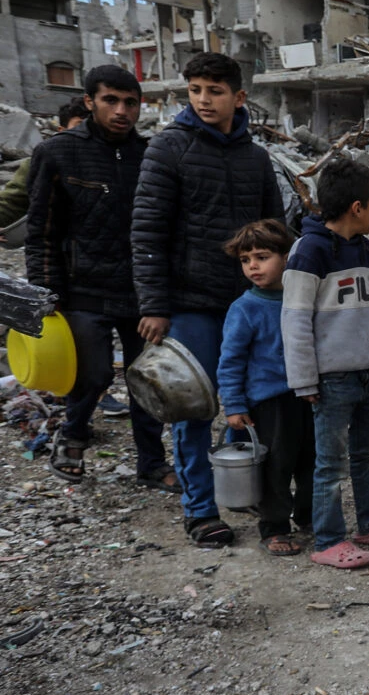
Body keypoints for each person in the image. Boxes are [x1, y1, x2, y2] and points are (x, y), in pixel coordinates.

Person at [131, 52, 285, 548]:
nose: (203, 100)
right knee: (192, 405)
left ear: (238, 98)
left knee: (256, 400)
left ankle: (247, 487)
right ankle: (200, 509)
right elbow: (147, 232)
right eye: (195, 90)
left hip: (250, 301)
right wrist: (154, 304)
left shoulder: (256, 158)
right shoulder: (167, 150)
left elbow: (276, 231)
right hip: (189, 302)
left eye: (214, 91)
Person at [24, 67, 175, 491]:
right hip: (82, 290)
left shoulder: (151, 155)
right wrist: (45, 293)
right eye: (111, 100)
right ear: (89, 101)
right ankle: (72, 436)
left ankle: (152, 463)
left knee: (146, 378)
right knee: (91, 374)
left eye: (130, 102)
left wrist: (161, 293)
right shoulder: (58, 153)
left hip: (140, 290)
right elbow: (42, 230)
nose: (122, 110)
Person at [282, 154, 369, 570]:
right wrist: (304, 381)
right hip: (332, 381)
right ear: (357, 208)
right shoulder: (308, 253)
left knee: (368, 456)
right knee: (330, 463)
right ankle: (327, 540)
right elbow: (295, 322)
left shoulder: (368, 251)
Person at [217, 219, 315, 557]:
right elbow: (230, 361)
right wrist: (234, 405)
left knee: (312, 461)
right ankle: (274, 527)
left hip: (308, 394)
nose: (253, 266)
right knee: (276, 467)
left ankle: (309, 515)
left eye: (262, 257)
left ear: (287, 257)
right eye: (246, 260)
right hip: (268, 403)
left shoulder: (303, 299)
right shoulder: (245, 309)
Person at [1, 99, 91, 245]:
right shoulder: (41, 163)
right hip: (59, 254)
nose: (88, 133)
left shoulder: (121, 161)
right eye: (80, 126)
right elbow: (12, 202)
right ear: (62, 131)